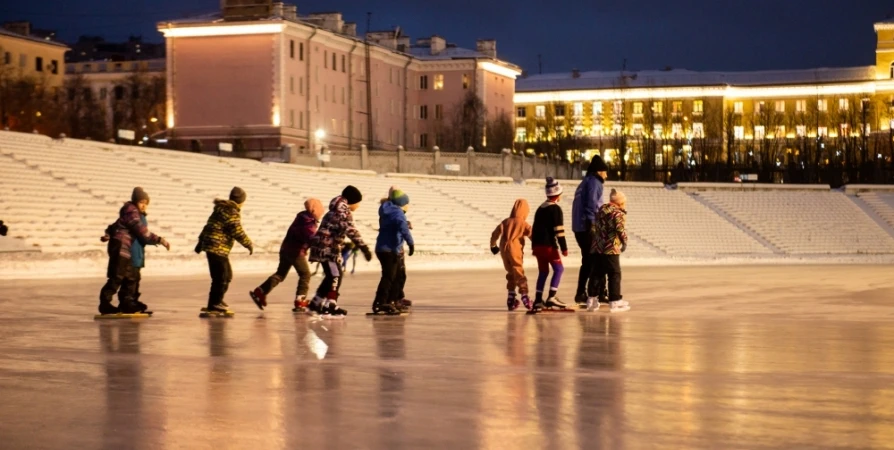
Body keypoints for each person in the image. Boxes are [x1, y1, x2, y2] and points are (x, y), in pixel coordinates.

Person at [98, 187, 170, 315]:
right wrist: (160, 240)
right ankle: (105, 304)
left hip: (123, 248)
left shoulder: (129, 212)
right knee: (117, 277)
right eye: (142, 202)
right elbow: (142, 232)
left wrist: (108, 235)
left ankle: (126, 303)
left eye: (146, 203)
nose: (144, 206)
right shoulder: (132, 212)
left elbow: (113, 226)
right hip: (121, 247)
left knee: (127, 277)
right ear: (135, 201)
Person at [250, 198, 325, 312]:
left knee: (280, 274)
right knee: (305, 274)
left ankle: (260, 291)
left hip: (286, 249)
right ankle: (300, 300)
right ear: (315, 210)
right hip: (295, 252)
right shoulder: (307, 222)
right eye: (320, 212)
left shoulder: (302, 217)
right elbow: (311, 238)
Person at [308, 185, 372, 316]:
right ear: (352, 201)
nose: (358, 206)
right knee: (336, 275)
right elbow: (351, 230)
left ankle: (316, 302)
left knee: (331, 276)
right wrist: (363, 247)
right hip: (328, 249)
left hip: (324, 247)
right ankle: (330, 304)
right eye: (358, 203)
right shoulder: (342, 212)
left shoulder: (335, 209)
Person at [195, 187, 253, 313]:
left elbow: (208, 226)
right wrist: (248, 244)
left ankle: (216, 301)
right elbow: (236, 230)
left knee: (225, 275)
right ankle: (215, 303)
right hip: (218, 247)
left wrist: (200, 242)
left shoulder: (220, 209)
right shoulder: (232, 211)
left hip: (213, 247)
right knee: (221, 277)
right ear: (241, 201)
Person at [571, 154, 609, 307]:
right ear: (599, 171)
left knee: (588, 260)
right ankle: (598, 292)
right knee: (597, 259)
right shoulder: (594, 182)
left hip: (579, 226)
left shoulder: (584, 182)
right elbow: (592, 204)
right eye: (605, 171)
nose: (607, 175)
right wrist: (593, 225)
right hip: (587, 226)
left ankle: (582, 293)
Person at [372, 187, 415, 314]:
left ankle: (389, 300)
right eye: (406, 204)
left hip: (385, 248)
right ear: (401, 203)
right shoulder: (397, 213)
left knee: (393, 276)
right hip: (388, 249)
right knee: (389, 277)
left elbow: (397, 225)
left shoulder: (388, 211)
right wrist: (411, 243)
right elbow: (403, 229)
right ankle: (381, 302)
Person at [530, 177, 569, 311]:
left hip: (537, 246)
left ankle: (538, 300)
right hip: (548, 246)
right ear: (558, 194)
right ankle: (552, 297)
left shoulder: (540, 208)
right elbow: (559, 231)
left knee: (543, 271)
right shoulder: (555, 209)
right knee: (559, 269)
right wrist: (564, 248)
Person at [589, 188, 630, 312]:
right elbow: (620, 229)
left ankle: (591, 299)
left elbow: (594, 227)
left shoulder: (601, 210)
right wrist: (624, 241)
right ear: (620, 202)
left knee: (597, 273)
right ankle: (614, 300)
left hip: (598, 247)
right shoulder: (617, 213)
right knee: (614, 274)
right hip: (610, 248)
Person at [490, 198, 532, 311]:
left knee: (511, 272)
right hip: (515, 248)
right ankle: (525, 296)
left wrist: (493, 246)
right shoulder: (522, 223)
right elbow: (532, 234)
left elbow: (495, 233)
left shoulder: (505, 221)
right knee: (518, 271)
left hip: (504, 249)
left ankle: (511, 297)